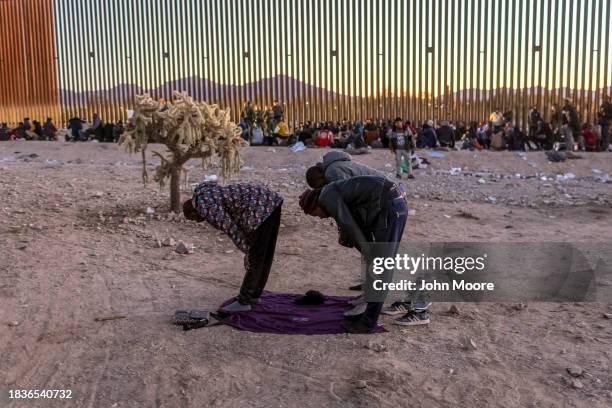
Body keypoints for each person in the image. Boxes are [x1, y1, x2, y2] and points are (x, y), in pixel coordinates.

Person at [299, 176, 421, 333]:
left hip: (388, 205)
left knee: (382, 265)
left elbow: (349, 225)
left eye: (316, 214)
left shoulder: (326, 197)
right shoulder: (330, 191)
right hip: (393, 203)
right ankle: (368, 313)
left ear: (315, 204)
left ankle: (368, 323)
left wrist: (369, 252)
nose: (320, 217)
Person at [183, 180, 283, 312]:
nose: (198, 221)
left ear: (193, 212)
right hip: (270, 200)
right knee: (265, 254)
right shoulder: (205, 193)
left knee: (256, 257)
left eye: (193, 219)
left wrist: (248, 251)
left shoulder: (205, 207)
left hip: (259, 209)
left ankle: (244, 301)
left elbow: (231, 228)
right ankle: (254, 295)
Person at [306, 151, 384, 189]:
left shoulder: (331, 172)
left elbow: (347, 191)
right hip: (381, 182)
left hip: (382, 185)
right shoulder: (333, 165)